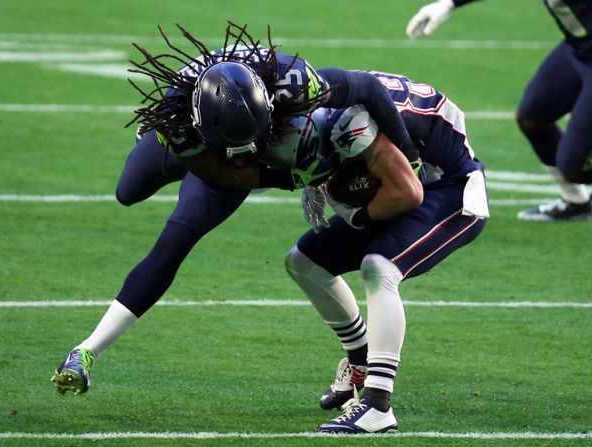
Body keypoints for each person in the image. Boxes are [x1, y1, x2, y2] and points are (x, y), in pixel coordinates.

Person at [50, 22, 420, 396]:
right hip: (200, 150)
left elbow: (368, 88)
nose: (243, 156)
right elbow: (228, 172)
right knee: (127, 191)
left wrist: (410, 156)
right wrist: (293, 178)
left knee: (177, 237)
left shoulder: (294, 81)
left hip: (263, 138)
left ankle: (86, 350)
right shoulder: (177, 123)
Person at [285, 70, 489, 433]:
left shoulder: (353, 124)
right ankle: (361, 360)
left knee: (379, 267)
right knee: (303, 261)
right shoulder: (326, 108)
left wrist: (359, 214)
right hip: (412, 180)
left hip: (453, 188)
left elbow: (408, 192)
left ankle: (378, 406)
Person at [406, 0, 592, 221]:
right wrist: (450, 3)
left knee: (576, 168)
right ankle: (576, 202)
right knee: (532, 118)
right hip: (579, 49)